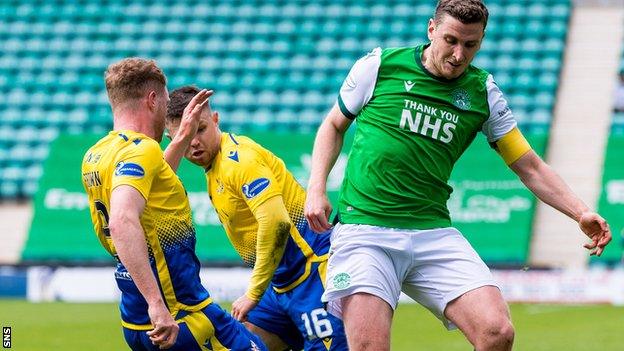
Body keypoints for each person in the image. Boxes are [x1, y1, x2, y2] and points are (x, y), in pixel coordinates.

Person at [303, 1, 613, 350]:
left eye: (470, 45)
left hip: (431, 232)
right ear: (431, 29)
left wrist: (580, 211)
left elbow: (528, 164)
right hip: (365, 230)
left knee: (497, 332)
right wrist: (316, 188)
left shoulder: (483, 92)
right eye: (450, 40)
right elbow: (333, 124)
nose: (458, 54)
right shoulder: (379, 67)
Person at [81, 58, 266, 351]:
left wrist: (181, 138)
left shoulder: (97, 154)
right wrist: (157, 305)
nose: (168, 110)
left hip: (135, 319)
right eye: (167, 102)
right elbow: (121, 220)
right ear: (152, 100)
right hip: (178, 314)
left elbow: (151, 188)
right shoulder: (142, 151)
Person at [163, 85, 348, 351]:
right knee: (243, 343)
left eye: (200, 129)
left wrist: (253, 293)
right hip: (280, 285)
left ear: (215, 120)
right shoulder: (214, 168)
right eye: (185, 135)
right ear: (173, 140)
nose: (193, 142)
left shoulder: (238, 161)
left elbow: (277, 223)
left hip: (313, 272)